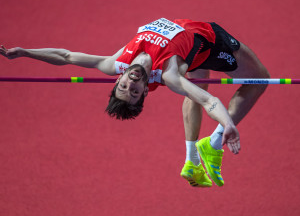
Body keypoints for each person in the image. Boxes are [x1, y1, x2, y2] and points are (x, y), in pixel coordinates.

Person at [0, 18, 270, 187]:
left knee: (197, 82)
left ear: (116, 80)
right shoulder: (169, 74)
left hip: (194, 49)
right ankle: (212, 145)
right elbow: (209, 100)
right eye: (136, 91)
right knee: (260, 79)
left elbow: (66, 56)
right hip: (212, 43)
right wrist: (226, 124)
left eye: (124, 87)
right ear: (145, 92)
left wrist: (25, 53)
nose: (132, 83)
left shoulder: (117, 62)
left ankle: (192, 159)